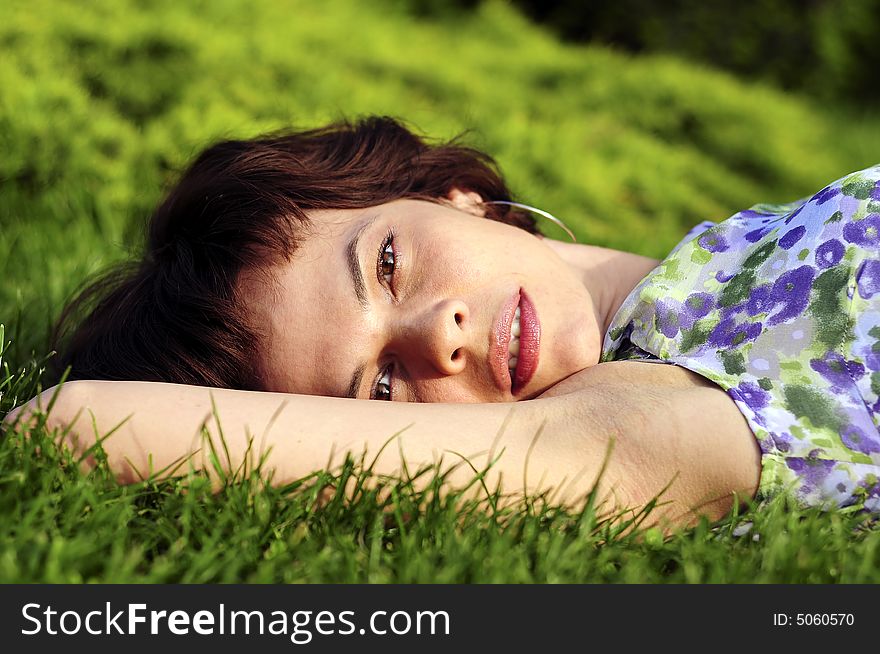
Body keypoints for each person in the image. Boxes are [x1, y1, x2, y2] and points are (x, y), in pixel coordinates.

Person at [5, 117, 879, 529]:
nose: (441, 336)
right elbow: (79, 428)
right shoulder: (662, 415)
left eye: (387, 263)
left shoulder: (740, 256)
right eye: (379, 387)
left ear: (452, 196)